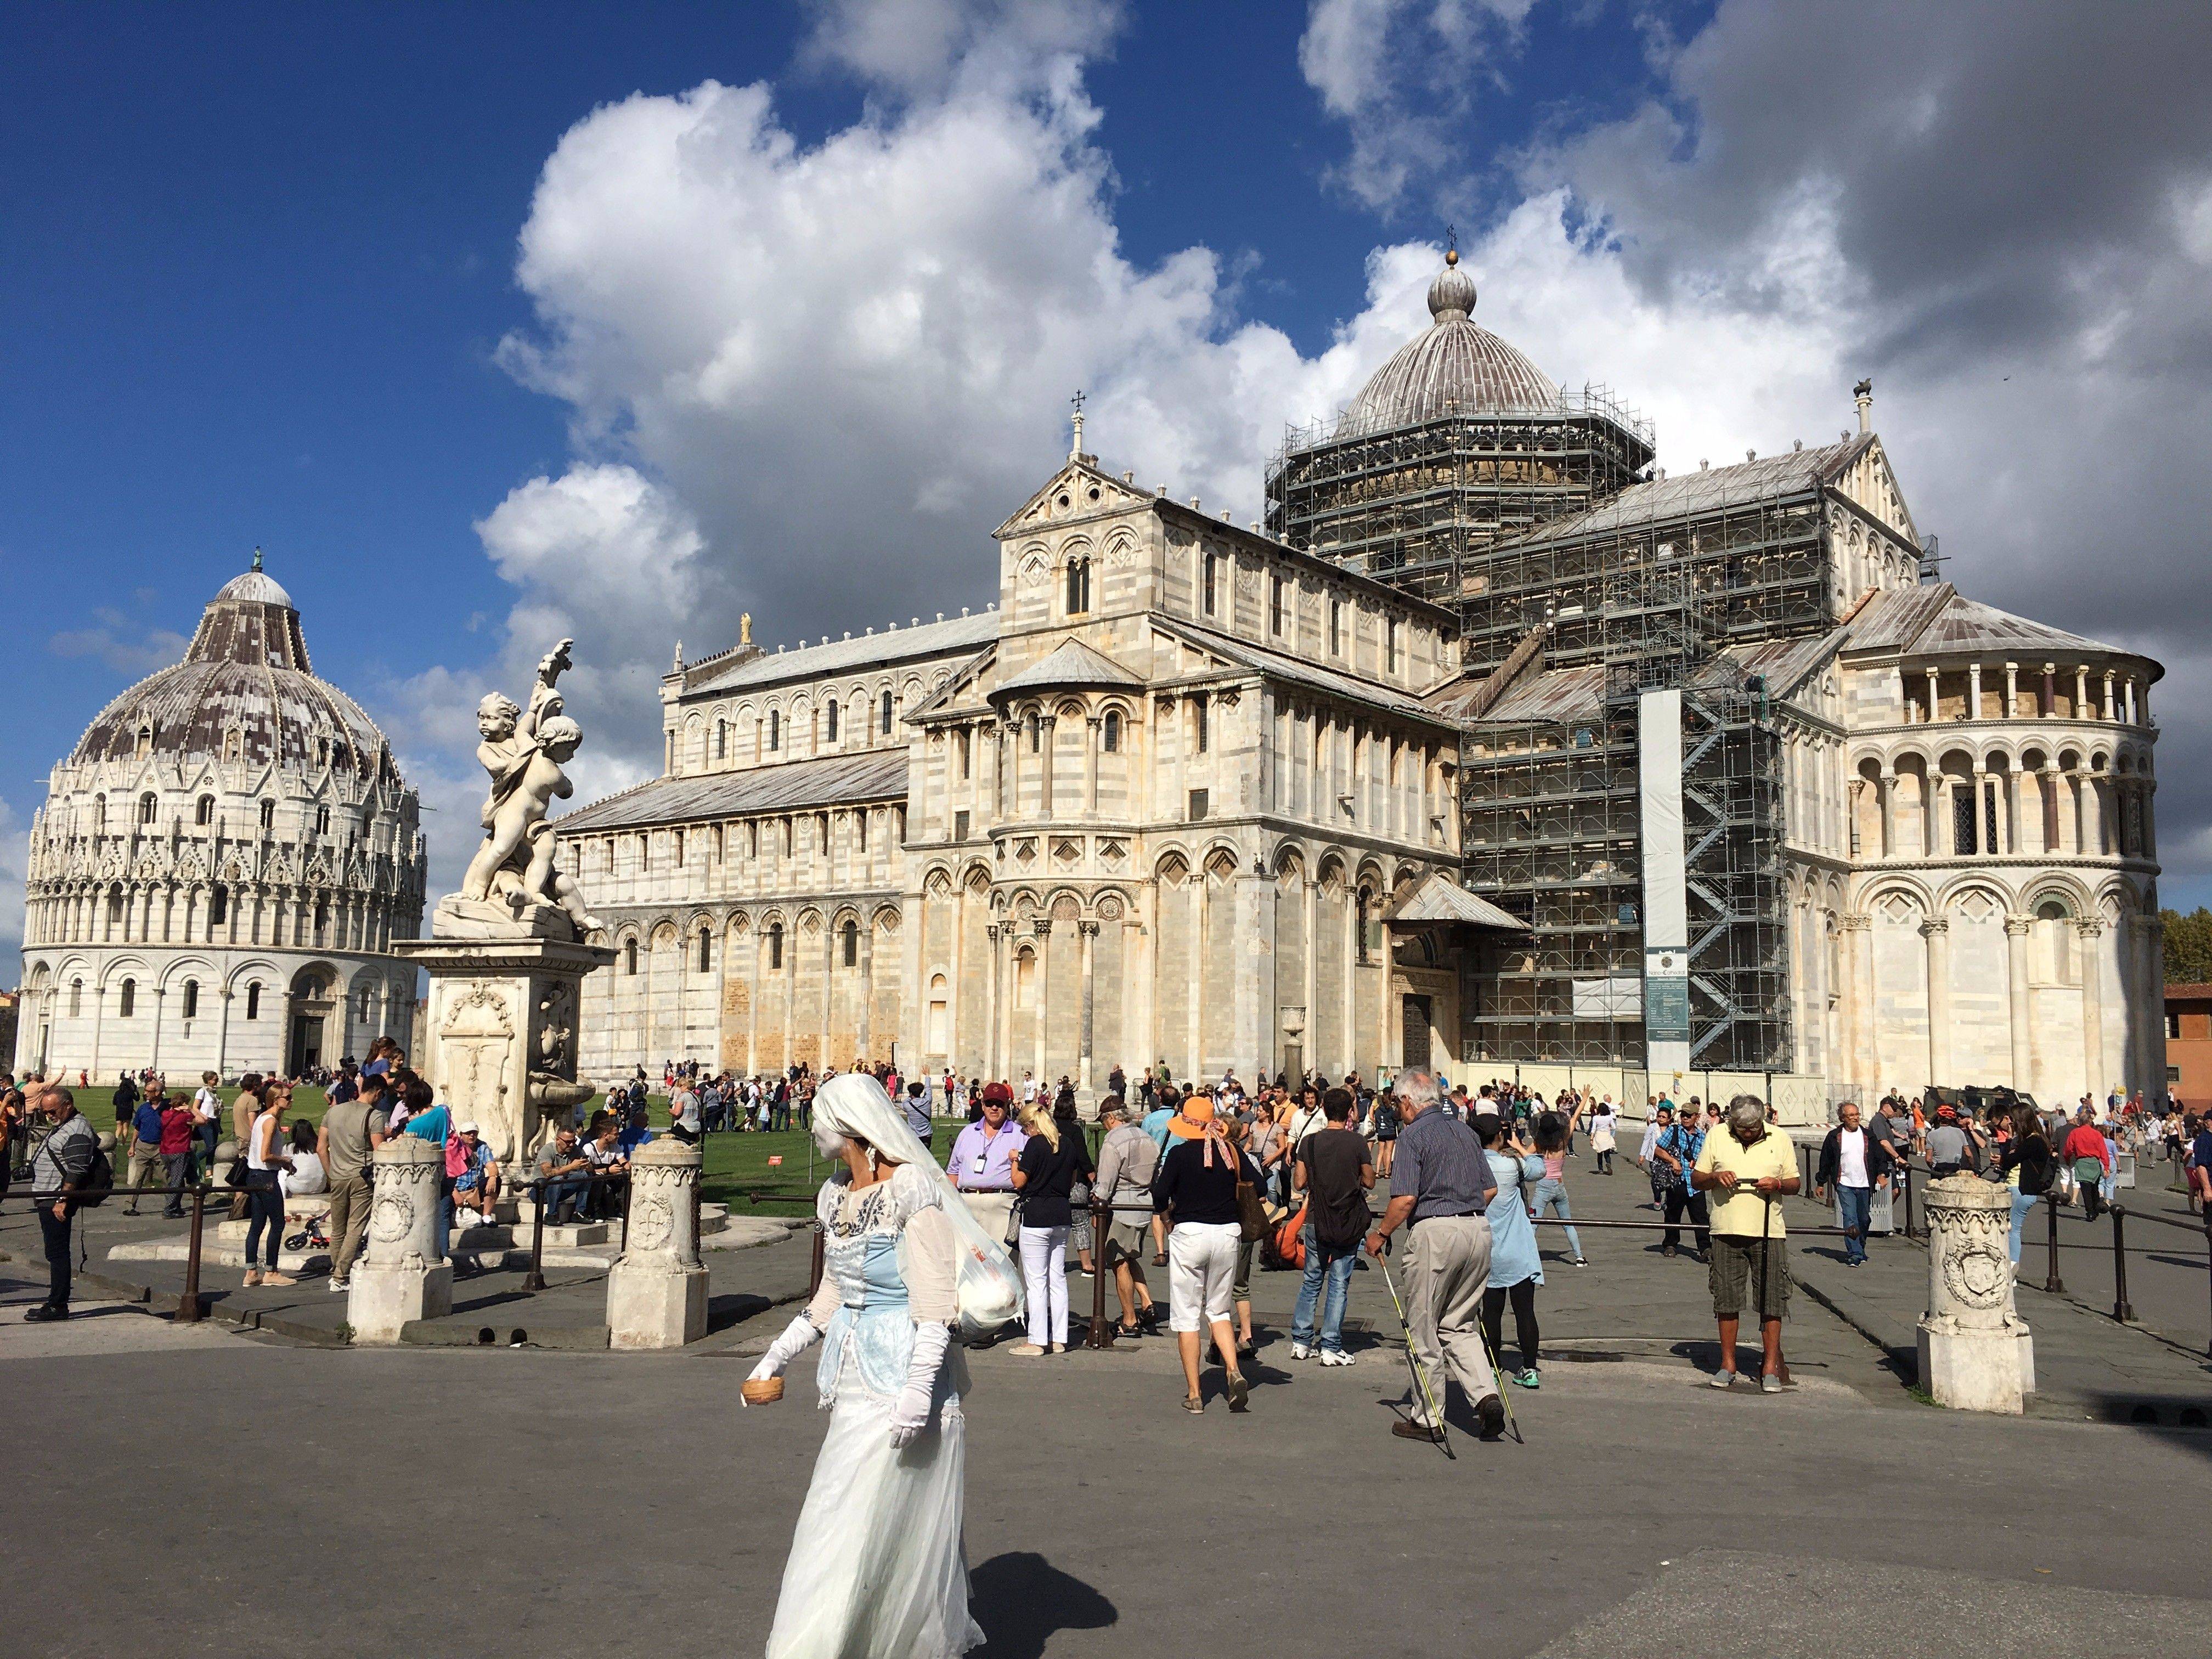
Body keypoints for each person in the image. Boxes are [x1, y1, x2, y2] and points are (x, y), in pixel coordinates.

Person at [743, 1073, 1022, 1659]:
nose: (812, 1128)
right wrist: (777, 1355)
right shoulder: (838, 1196)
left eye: (819, 1117)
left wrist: (920, 1389)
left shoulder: (911, 1192)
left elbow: (933, 1302)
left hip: (905, 1376)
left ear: (846, 1124)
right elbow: (831, 1296)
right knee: (837, 1517)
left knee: (888, 1524)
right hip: (853, 1377)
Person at [1364, 1070, 1506, 1443]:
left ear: (1408, 1102)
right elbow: (1490, 1188)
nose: (1398, 1111)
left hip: (1436, 1232)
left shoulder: (1413, 1136)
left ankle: (1429, 1418)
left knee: (1423, 1327)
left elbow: (1406, 1199)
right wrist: (1464, 1207)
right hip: (1477, 1228)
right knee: (1460, 1324)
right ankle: (1486, 1396)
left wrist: (1381, 1234)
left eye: (1398, 1104)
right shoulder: (1463, 1130)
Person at [1153, 1095, 1259, 1413]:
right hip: (1227, 1234)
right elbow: (1260, 1188)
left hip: (1190, 1234)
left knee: (1187, 1316)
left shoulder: (1180, 1154)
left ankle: (1195, 1394)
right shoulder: (1232, 1152)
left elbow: (1159, 1194)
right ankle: (1233, 1370)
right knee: (1219, 1310)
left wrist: (1168, 1216)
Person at [1692, 1096, 1800, 1392]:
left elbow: (1794, 1184)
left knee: (1772, 1298)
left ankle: (1770, 1368)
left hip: (1769, 1231)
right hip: (1725, 1230)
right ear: (1732, 1121)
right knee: (1726, 1299)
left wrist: (1776, 1185)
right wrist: (1715, 1177)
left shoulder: (1780, 1138)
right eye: (1742, 1128)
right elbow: (1697, 1178)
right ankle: (1728, 1364)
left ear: (1762, 1121)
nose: (1748, 1132)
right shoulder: (1717, 1134)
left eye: (1753, 1128)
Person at [1289, 1086, 1373, 1365]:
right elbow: (1371, 1181)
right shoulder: (1357, 1143)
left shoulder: (1309, 1142)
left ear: (1323, 1110)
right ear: (1350, 1111)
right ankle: (1330, 1344)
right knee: (1338, 1283)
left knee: (1312, 1280)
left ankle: (1301, 1341)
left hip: (1316, 1219)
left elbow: (1299, 1183)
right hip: (1347, 1220)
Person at [1474, 1112, 1544, 1388]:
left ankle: (1493, 1365)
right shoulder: (1512, 1165)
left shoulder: (1472, 1165)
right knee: (1525, 1311)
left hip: (1487, 1249)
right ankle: (1529, 1368)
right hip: (1518, 1249)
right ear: (1500, 1136)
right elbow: (1539, 1168)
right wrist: (1519, 1147)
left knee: (1491, 1311)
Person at [1010, 1102, 1085, 1356]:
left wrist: (1015, 1161)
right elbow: (1073, 1179)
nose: (1025, 1133)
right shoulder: (1068, 1144)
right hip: (1061, 1213)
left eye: (1025, 1128)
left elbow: (1019, 1181)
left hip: (1037, 1213)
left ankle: (1038, 1339)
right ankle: (1060, 1337)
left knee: (1036, 1281)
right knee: (1058, 1278)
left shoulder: (1035, 1144)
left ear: (1032, 1125)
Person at [26, 1086, 98, 1321]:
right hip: (48, 1196)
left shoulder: (77, 1129)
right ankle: (56, 1302)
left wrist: (62, 1200)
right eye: (46, 1112)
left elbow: (77, 1169)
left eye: (53, 1111)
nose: (49, 1116)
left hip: (56, 1199)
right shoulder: (65, 1125)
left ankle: (58, 1305)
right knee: (54, 1252)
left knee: (57, 1253)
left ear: (68, 1105)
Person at [1093, 1098, 1161, 1338]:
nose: (1104, 1126)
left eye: (1104, 1121)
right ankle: (1147, 1302)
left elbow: (1106, 1180)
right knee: (1130, 1257)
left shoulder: (1113, 1141)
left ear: (1112, 1118)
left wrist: (1097, 1209)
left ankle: (1130, 1320)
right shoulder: (1147, 1138)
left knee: (1119, 1262)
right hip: (1144, 1203)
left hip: (1123, 1206)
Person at [319, 1071, 389, 1291]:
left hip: (338, 1176)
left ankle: (335, 1271)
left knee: (338, 1228)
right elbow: (380, 1151)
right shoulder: (374, 1116)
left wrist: (331, 1173)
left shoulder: (334, 1112)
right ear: (377, 1093)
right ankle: (340, 1276)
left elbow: (321, 1148)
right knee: (355, 1228)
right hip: (361, 1176)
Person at [1814, 1102, 1893, 1267]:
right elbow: (1826, 1161)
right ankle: (1855, 1253)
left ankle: (1860, 1247)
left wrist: (1882, 1174)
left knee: (1864, 1219)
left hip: (1865, 1184)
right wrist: (1820, 1182)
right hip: (1844, 1184)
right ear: (1843, 1118)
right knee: (1850, 1219)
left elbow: (1880, 1157)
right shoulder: (1834, 1137)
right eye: (1851, 1115)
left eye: (1857, 1114)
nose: (1856, 1118)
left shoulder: (1868, 1136)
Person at [946, 1084, 1025, 1251]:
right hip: (967, 1204)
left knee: (1003, 1264)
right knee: (966, 1263)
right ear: (982, 1106)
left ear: (1008, 1105)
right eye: (989, 1103)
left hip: (1003, 1205)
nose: (994, 1108)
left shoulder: (1021, 1135)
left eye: (999, 1103)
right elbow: (953, 1171)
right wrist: (952, 1205)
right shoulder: (967, 1133)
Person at [242, 1084, 297, 1288]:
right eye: (288, 1097)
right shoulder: (270, 1121)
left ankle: (251, 1272)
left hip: (254, 1175)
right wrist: (285, 1161)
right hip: (265, 1177)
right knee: (277, 1223)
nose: (291, 1101)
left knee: (257, 1225)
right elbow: (265, 1155)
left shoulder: (262, 1119)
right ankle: (271, 1271)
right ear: (276, 1099)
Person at [1531, 1110, 1588, 1266]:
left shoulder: (1538, 1144)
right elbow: (1575, 1118)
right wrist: (1584, 1098)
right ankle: (1580, 1257)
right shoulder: (1563, 1142)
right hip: (1559, 1185)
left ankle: (1527, 1256)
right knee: (1568, 1224)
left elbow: (1525, 1155)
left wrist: (1516, 1147)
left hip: (1543, 1186)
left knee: (1533, 1224)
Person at [1654, 1101, 1711, 1260]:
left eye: (1689, 1115)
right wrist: (1673, 1161)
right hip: (1677, 1181)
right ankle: (1671, 1244)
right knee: (1673, 1214)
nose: (1685, 1118)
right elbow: (1658, 1150)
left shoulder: (1702, 1136)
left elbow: (1706, 1158)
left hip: (1695, 1183)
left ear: (1696, 1117)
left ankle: (1705, 1248)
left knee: (1700, 1216)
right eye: (1683, 1115)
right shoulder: (1674, 1131)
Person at [1999, 1108, 2054, 1267]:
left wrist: (2009, 1139)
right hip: (2023, 1189)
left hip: (2020, 1188)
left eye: (2013, 1121)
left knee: (2012, 1230)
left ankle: (2012, 1269)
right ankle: (2010, 1267)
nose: (2011, 1124)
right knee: (2012, 1229)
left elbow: (2007, 1161)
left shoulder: (2032, 1141)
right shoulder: (2038, 1140)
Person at [123, 1080, 168, 1215]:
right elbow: (137, 1128)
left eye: (149, 1091)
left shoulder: (167, 1108)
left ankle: (172, 1205)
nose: (145, 1093)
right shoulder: (143, 1108)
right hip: (143, 1146)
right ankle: (129, 1206)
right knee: (138, 1178)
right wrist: (132, 1146)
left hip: (160, 1147)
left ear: (158, 1093)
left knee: (167, 1177)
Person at [2062, 1106, 2113, 1220]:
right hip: (2095, 1163)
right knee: (2094, 1187)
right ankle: (2095, 1209)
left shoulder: (2075, 1133)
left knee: (2085, 1189)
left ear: (2080, 1121)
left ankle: (2090, 1211)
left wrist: (2067, 1159)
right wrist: (2106, 1166)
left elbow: (2068, 1150)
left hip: (2082, 1161)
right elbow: (2103, 1151)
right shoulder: (2097, 1134)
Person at [535, 1127, 594, 1224]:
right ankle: (551, 1215)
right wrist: (571, 1166)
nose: (571, 1144)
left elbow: (590, 1169)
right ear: (558, 1140)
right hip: (540, 1191)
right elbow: (547, 1173)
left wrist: (588, 1166)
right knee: (558, 1179)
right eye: (568, 1142)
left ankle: (579, 1212)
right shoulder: (547, 1150)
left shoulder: (576, 1150)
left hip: (561, 1188)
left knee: (586, 1175)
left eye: (574, 1141)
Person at [450, 1123, 499, 1225]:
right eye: (468, 1133)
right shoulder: (453, 1147)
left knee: (496, 1181)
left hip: (475, 1189)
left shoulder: (482, 1146)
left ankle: (486, 1216)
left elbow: (491, 1165)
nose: (472, 1136)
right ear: (461, 1134)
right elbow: (446, 1175)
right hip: (456, 1189)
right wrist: (455, 1193)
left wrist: (493, 1177)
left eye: (474, 1133)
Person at [280, 1119, 328, 1197]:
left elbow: (284, 1163)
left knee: (282, 1171)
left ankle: (283, 1197)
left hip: (298, 1188)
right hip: (319, 1187)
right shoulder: (319, 1147)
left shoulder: (290, 1147)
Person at [1639, 1102, 1672, 1211]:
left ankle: (1668, 1201)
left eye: (1664, 1117)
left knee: (1670, 1180)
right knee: (1656, 1179)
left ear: (1669, 1119)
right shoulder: (1652, 1127)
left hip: (1668, 1158)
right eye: (1659, 1116)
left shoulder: (1672, 1129)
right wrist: (1642, 1155)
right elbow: (1647, 1141)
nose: (1661, 1119)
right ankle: (1657, 1198)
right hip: (1655, 1158)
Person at [1588, 1099, 1618, 1175]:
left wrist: (1591, 1139)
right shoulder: (1609, 1118)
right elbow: (1614, 1127)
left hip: (1599, 1136)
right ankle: (1608, 1164)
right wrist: (1609, 1127)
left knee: (1599, 1153)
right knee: (1607, 1154)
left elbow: (1593, 1129)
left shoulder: (1595, 1118)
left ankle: (1600, 1169)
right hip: (1607, 1136)